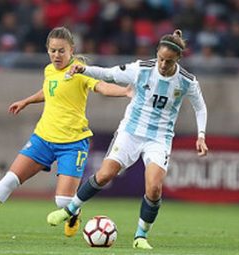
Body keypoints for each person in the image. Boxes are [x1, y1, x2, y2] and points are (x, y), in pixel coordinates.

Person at [0, 27, 131, 237]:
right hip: (43, 138)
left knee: (62, 201)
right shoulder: (49, 70)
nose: (56, 55)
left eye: (61, 51)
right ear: (47, 51)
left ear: (71, 50)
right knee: (9, 179)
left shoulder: (80, 71)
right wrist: (26, 101)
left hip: (73, 143)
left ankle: (74, 212)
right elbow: (49, 90)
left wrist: (125, 91)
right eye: (53, 51)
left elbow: (101, 87)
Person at [47, 29, 208, 249]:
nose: (162, 64)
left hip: (159, 138)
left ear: (178, 60)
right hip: (131, 131)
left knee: (154, 189)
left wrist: (201, 135)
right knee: (104, 175)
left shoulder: (187, 81)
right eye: (160, 58)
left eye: (168, 61)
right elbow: (109, 73)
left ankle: (140, 236)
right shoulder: (142, 69)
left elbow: (200, 107)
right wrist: (84, 68)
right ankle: (69, 210)